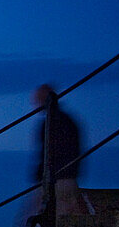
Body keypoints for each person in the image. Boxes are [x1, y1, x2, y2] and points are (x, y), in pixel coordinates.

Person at [32, 84, 88, 216]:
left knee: (55, 218)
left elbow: (50, 153)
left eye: (38, 98)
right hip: (64, 177)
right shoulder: (65, 120)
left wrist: (42, 174)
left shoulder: (52, 122)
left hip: (58, 179)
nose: (35, 103)